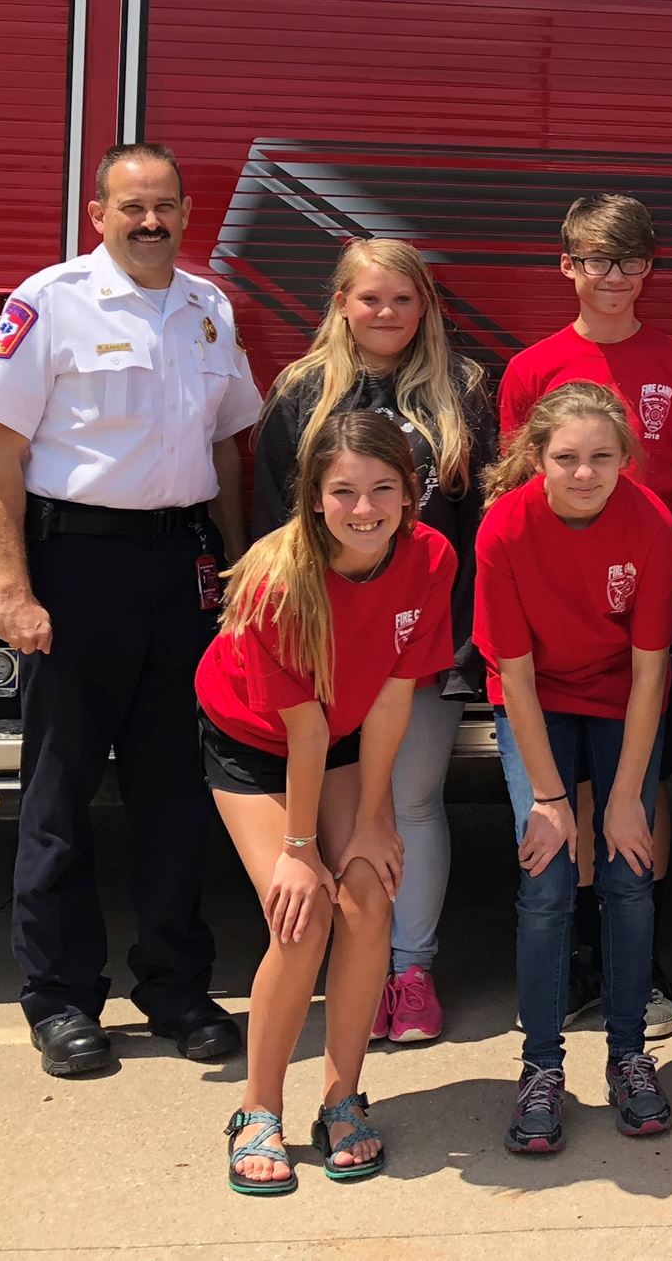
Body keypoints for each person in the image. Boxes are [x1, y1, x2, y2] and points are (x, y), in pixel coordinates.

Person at [0, 143, 262, 1080]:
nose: (150, 221)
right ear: (98, 213)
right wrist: (14, 590)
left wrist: (241, 572)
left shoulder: (208, 309)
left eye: (166, 206)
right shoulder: (48, 302)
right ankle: (59, 998)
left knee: (176, 793)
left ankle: (175, 986)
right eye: (132, 206)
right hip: (75, 563)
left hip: (182, 569)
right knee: (61, 795)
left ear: (185, 212)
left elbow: (229, 453)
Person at [198, 411, 454, 1194]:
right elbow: (299, 733)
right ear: (313, 496)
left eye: (383, 489)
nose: (365, 508)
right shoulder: (278, 577)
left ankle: (343, 1098)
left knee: (371, 899)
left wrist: (374, 817)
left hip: (342, 731)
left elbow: (391, 700)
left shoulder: (431, 556)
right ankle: (257, 1109)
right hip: (255, 741)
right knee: (301, 917)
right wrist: (302, 853)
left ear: (412, 494)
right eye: (344, 491)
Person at [252, 237, 493, 1046]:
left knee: (409, 803)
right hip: (323, 638)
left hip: (420, 639)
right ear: (341, 305)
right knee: (334, 811)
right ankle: (350, 965)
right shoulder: (300, 392)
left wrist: (467, 637)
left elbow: (480, 523)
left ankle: (412, 972)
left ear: (425, 306)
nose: (386, 314)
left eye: (402, 299)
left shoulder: (461, 391)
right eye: (370, 299)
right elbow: (272, 525)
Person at [498, 193, 672, 1043]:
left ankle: (639, 952)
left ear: (650, 268)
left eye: (629, 261)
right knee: (571, 792)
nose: (613, 278)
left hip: (650, 599)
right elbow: (519, 494)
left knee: (641, 783)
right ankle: (583, 950)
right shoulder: (532, 369)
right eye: (596, 260)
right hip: (555, 613)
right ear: (567, 266)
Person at [476, 381, 672, 1150]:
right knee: (548, 875)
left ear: (627, 458)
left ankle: (629, 1055)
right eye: (566, 458)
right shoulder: (504, 528)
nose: (585, 472)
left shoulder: (651, 524)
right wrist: (554, 800)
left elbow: (652, 668)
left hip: (622, 695)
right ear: (538, 458)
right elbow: (516, 677)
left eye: (602, 457)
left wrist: (627, 795)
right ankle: (540, 1067)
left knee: (629, 869)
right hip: (537, 699)